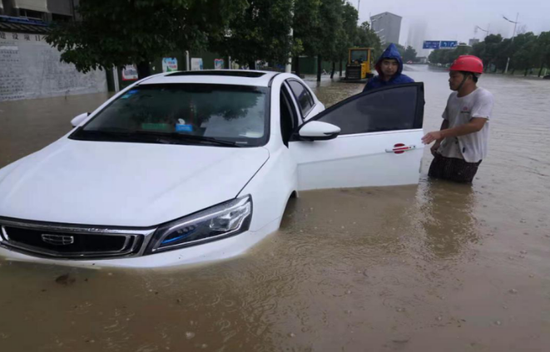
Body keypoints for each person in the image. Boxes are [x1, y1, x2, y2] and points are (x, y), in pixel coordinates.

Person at [422, 55, 494, 183]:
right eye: (450, 76)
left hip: (467, 156)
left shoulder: (483, 96)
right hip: (445, 151)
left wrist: (440, 134)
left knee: (459, 190)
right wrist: (438, 142)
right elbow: (447, 120)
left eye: (454, 76)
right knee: (433, 185)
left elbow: (476, 125)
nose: (450, 80)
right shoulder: (453, 96)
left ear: (469, 77)